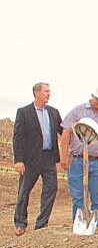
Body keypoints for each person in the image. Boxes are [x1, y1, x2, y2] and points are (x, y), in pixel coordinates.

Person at [60, 85, 98, 228]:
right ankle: (79, 225)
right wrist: (63, 156)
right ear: (92, 96)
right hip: (77, 161)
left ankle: (95, 228)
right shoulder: (77, 111)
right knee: (78, 197)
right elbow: (66, 132)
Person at [13, 82, 62, 236]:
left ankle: (41, 225)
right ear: (36, 92)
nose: (49, 94)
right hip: (29, 160)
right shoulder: (24, 112)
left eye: (49, 91)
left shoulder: (54, 112)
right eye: (46, 91)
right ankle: (20, 222)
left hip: (48, 158)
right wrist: (18, 160)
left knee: (51, 189)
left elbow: (64, 131)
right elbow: (18, 138)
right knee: (24, 192)